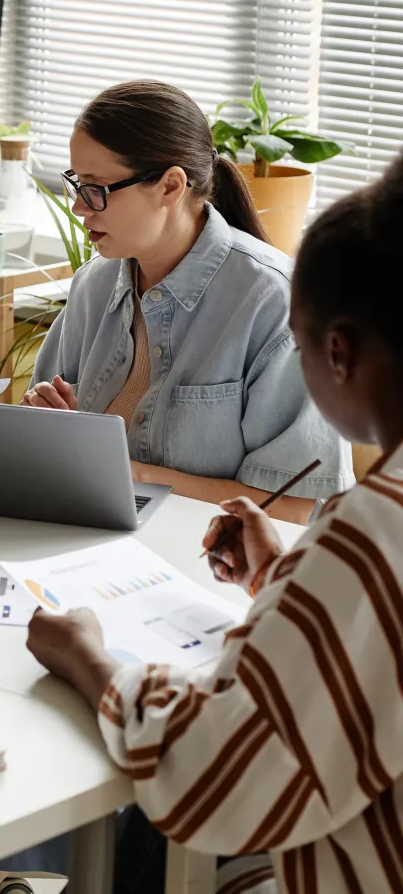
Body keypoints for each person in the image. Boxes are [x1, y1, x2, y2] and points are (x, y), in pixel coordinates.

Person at [26, 148, 403, 893]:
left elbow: (213, 776)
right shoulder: (371, 534)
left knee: (151, 841)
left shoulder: (373, 533)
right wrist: (286, 580)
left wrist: (90, 662)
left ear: (337, 352)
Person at [25, 81, 350, 518]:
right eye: (76, 184)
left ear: (171, 186)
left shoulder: (276, 304)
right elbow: (43, 442)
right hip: (85, 547)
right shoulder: (94, 286)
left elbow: (295, 506)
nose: (80, 208)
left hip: (214, 569)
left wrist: (132, 475)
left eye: (96, 188)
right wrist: (43, 432)